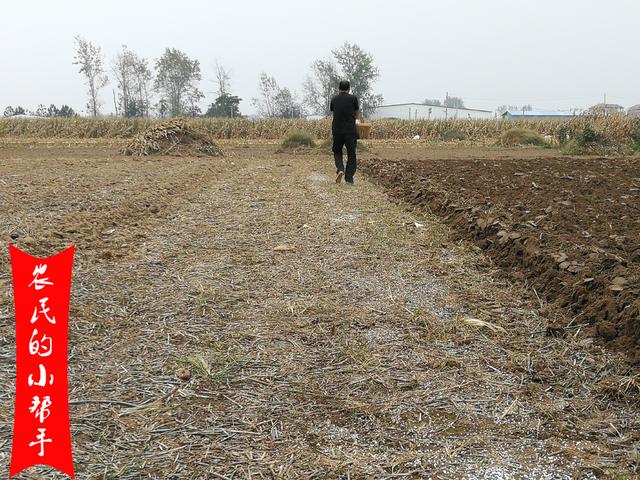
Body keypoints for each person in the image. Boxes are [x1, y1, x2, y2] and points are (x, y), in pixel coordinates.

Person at [330, 80, 360, 185]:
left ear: (339, 88)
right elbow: (356, 113)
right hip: (350, 130)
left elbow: (335, 111)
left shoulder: (334, 99)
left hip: (337, 130)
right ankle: (349, 178)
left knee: (337, 151)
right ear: (349, 88)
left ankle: (340, 169)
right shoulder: (353, 99)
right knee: (351, 154)